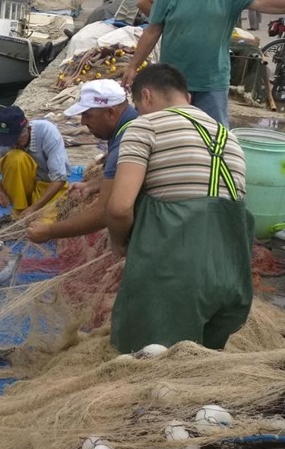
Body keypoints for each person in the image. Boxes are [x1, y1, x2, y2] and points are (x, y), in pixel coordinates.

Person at [106, 63, 252, 353]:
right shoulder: (229, 139)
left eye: (138, 105)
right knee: (197, 368)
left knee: (148, 365)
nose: (139, 112)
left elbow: (120, 208)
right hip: (232, 278)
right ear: (187, 97)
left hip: (173, 277)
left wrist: (118, 242)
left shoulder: (145, 127)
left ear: (145, 96)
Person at [123, 0, 285, 126]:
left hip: (212, 80)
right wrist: (133, 66)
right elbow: (152, 31)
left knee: (213, 135)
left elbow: (261, 1)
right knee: (170, 132)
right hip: (172, 81)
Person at [26, 80, 137, 244]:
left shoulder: (125, 143)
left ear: (111, 113)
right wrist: (92, 185)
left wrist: (49, 231)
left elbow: (103, 214)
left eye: (87, 115)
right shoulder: (132, 123)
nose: (83, 122)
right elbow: (126, 175)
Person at [0, 106, 70, 223]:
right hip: (20, 190)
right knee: (15, 157)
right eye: (8, 141)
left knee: (44, 224)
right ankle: (19, 210)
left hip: (48, 187)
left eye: (16, 139)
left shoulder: (47, 132)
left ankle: (29, 212)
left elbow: (59, 178)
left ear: (27, 128)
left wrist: (34, 209)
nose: (13, 144)